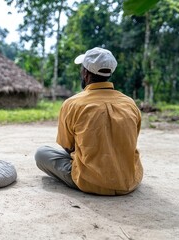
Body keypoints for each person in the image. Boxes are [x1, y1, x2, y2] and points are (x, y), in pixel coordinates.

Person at [35, 47, 143, 196]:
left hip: (90, 182)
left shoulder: (72, 104)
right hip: (129, 181)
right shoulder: (130, 103)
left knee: (42, 153)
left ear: (85, 73)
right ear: (109, 73)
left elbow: (68, 147)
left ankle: (89, 175)